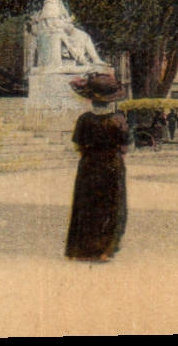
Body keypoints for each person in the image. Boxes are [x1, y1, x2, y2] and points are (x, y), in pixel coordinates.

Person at [65, 72, 129, 262]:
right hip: (112, 165)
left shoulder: (84, 119)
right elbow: (124, 146)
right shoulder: (118, 119)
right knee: (112, 206)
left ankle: (83, 249)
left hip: (89, 165)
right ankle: (105, 249)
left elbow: (78, 146)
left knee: (87, 205)